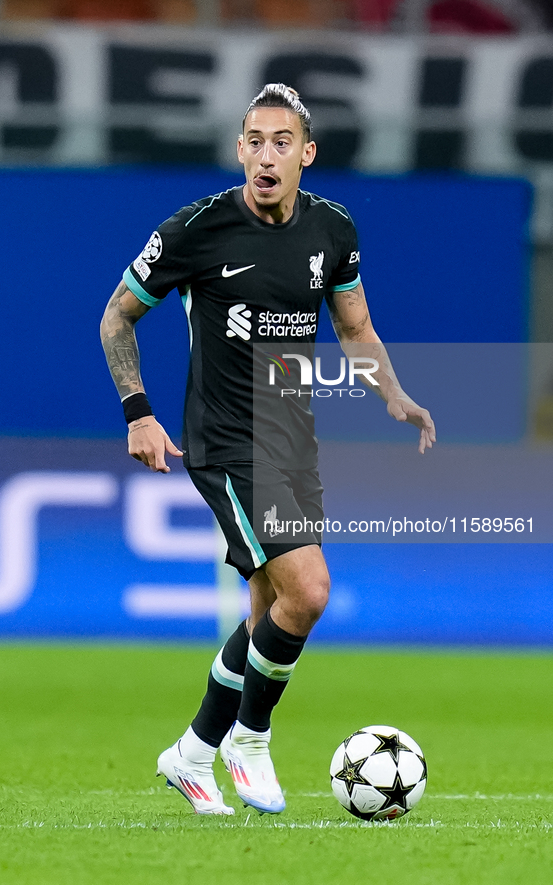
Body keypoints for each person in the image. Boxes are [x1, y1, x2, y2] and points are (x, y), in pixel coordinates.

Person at [100, 83, 436, 816]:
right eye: (253, 140)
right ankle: (248, 738)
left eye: (281, 141)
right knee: (309, 591)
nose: (265, 154)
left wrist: (392, 393)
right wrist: (138, 413)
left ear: (305, 154)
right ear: (239, 150)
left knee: (270, 611)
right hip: (224, 440)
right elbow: (117, 316)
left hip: (291, 437)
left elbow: (353, 327)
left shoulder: (332, 229)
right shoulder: (197, 230)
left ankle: (190, 754)